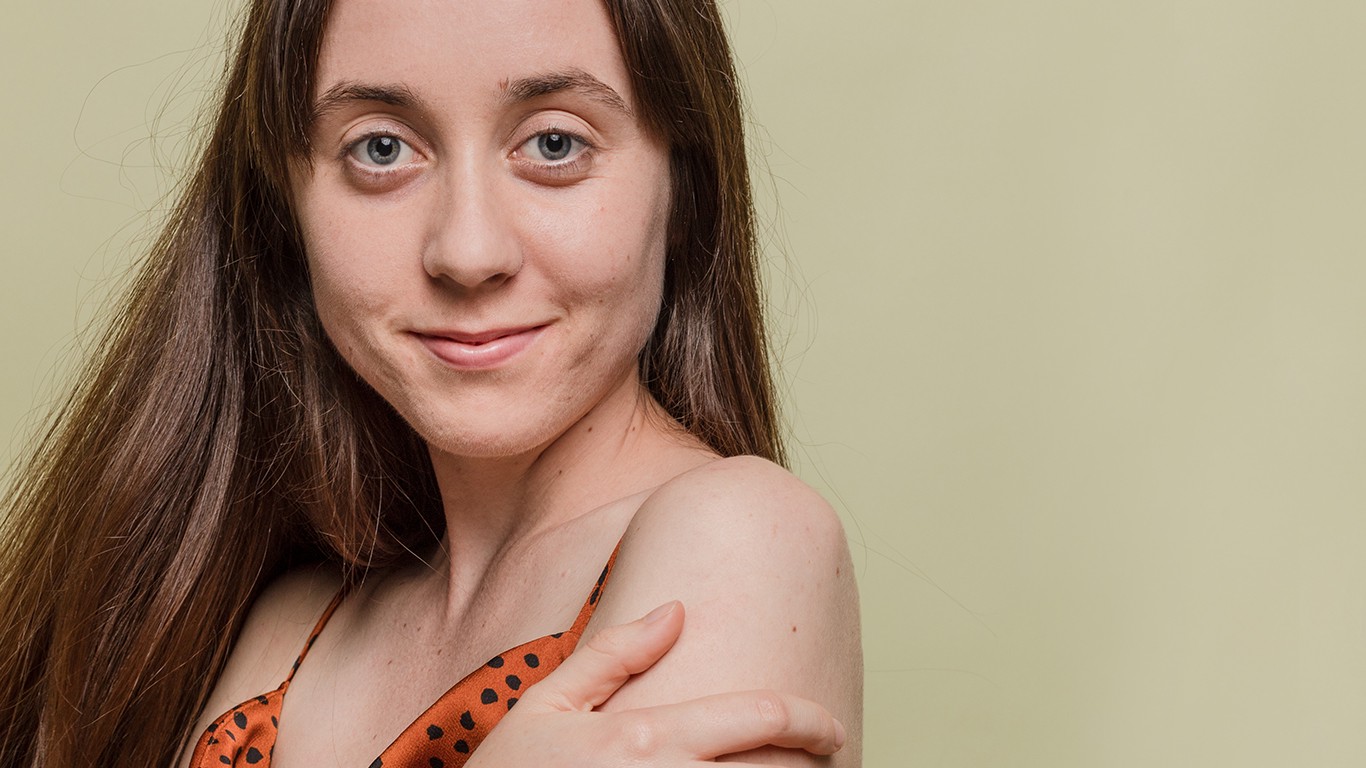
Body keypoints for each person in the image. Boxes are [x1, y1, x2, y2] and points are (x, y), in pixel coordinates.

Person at [0, 0, 863, 766]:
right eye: (382, 149)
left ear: (684, 185)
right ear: (286, 204)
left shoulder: (741, 537)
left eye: (554, 143)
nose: (467, 250)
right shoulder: (286, 631)